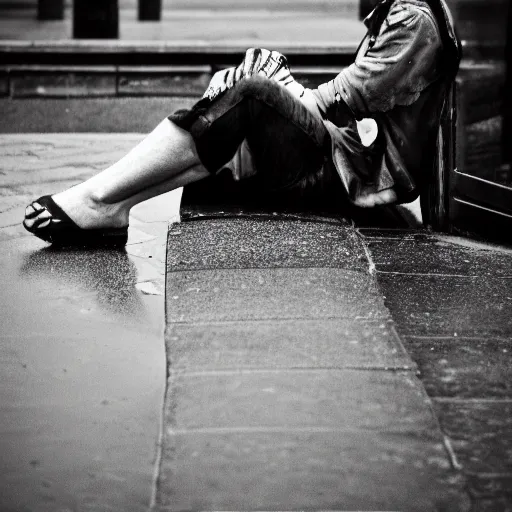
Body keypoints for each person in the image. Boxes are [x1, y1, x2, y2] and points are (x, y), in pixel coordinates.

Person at [23, 0, 461, 248]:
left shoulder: (414, 21)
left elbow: (336, 103)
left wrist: (273, 80)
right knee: (243, 86)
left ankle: (101, 200)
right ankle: (109, 205)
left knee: (252, 90)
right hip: (344, 163)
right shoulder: (404, 10)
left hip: (352, 183)